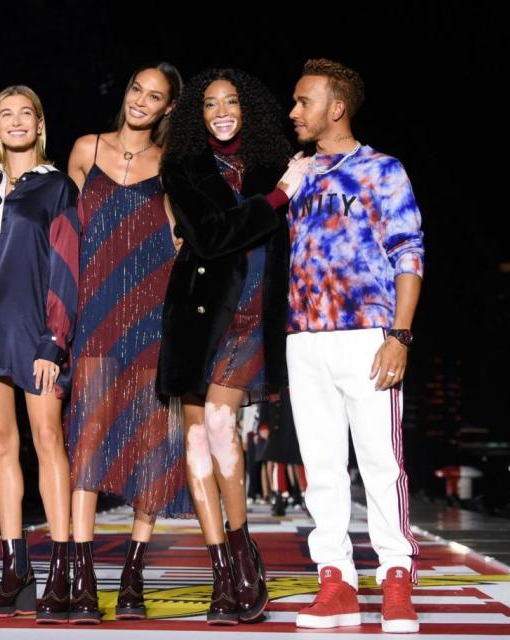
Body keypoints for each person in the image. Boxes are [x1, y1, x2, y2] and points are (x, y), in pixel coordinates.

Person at [157, 68, 308, 625]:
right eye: (210, 104)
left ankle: (243, 555)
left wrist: (280, 190)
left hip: (250, 318)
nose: (221, 110)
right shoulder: (183, 167)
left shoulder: (278, 162)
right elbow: (213, 236)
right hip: (196, 317)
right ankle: (224, 571)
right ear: (198, 114)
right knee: (197, 441)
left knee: (219, 428)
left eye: (232, 101)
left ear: (249, 110)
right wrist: (277, 198)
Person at [285, 58, 425, 633]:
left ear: (335, 107)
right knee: (321, 468)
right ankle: (336, 582)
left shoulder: (381, 169)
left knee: (381, 462)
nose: (294, 111)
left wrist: (399, 335)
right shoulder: (296, 176)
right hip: (304, 336)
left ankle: (395, 578)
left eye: (303, 101)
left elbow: (408, 253)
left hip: (368, 333)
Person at [64, 63, 193, 624]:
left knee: (151, 445)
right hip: (93, 315)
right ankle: (83, 576)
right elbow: (64, 237)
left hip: (150, 319)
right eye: (137, 90)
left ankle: (135, 573)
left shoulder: (171, 166)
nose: (141, 101)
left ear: (168, 108)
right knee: (87, 438)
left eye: (155, 96)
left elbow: (179, 240)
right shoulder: (85, 150)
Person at [0, 85, 80, 624]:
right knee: (1, 446)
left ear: (39, 122)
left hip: (36, 333)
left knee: (48, 441)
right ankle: (16, 571)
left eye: (24, 113)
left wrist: (55, 338)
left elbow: (68, 265)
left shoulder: (57, 187)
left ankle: (61, 570)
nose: (15, 122)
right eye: (4, 114)